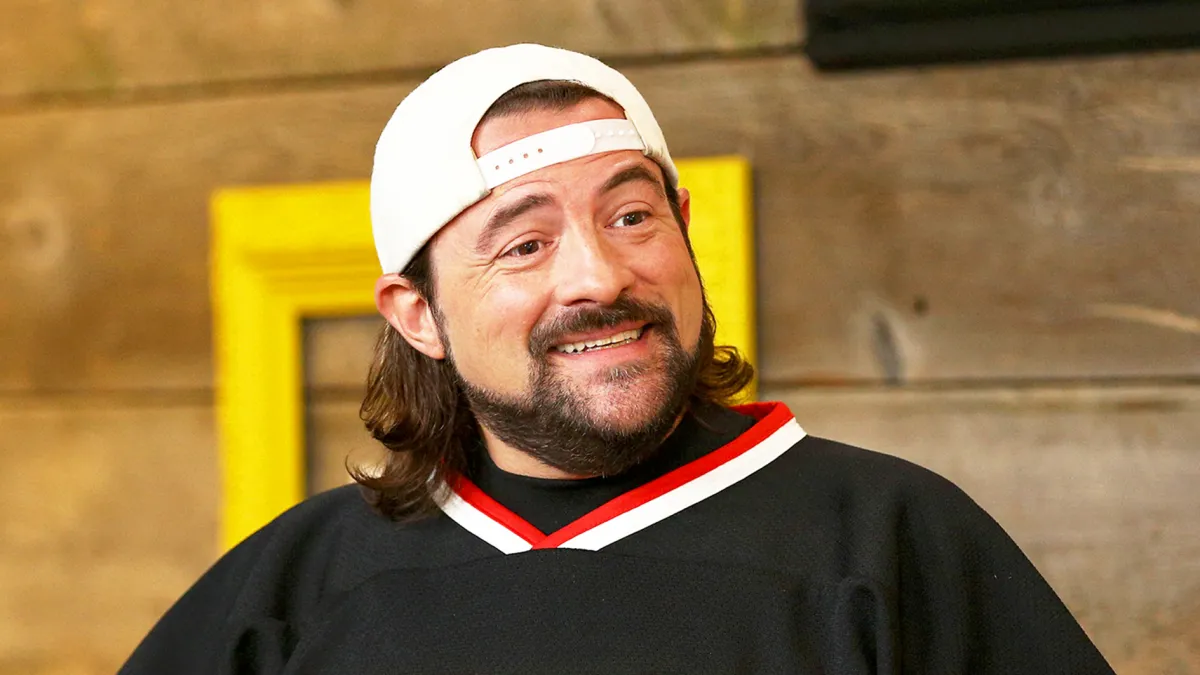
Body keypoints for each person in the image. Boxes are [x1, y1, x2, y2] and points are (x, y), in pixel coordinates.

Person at [119, 44, 1115, 674]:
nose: (600, 275)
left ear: (683, 231)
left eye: (632, 215)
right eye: (526, 242)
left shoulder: (891, 544)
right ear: (417, 314)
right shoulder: (297, 591)